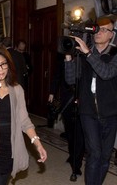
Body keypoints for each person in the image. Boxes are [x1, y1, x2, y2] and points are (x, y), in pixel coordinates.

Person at [0, 46, 47, 184]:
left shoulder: (17, 89)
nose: (0, 69)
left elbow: (24, 120)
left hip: (11, 149)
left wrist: (38, 144)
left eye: (3, 64)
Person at [64, 17, 117, 185]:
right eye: (97, 28)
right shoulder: (83, 53)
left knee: (105, 155)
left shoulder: (115, 54)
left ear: (111, 35)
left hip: (111, 113)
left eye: (104, 30)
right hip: (87, 112)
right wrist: (69, 58)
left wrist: (89, 53)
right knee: (94, 153)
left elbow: (106, 73)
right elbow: (71, 79)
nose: (99, 32)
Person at [48, 52, 84, 181]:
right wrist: (52, 92)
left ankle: (76, 166)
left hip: (82, 103)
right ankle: (73, 155)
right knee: (70, 134)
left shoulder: (84, 60)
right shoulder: (62, 61)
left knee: (80, 136)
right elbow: (56, 77)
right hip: (67, 103)